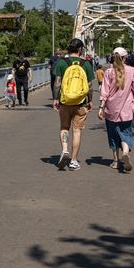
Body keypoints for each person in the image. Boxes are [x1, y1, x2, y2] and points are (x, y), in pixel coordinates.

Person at [97, 46, 134, 172]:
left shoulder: (108, 72)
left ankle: (116, 161)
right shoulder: (132, 70)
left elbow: (104, 92)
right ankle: (126, 153)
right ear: (125, 57)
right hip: (127, 108)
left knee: (113, 135)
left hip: (111, 108)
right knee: (125, 132)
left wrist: (101, 108)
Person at [52, 38, 95, 171]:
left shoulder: (61, 62)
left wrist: (55, 99)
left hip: (65, 102)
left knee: (64, 127)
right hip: (80, 103)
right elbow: (90, 85)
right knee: (77, 131)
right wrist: (90, 100)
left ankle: (65, 150)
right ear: (80, 49)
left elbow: (57, 83)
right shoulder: (86, 64)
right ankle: (74, 161)